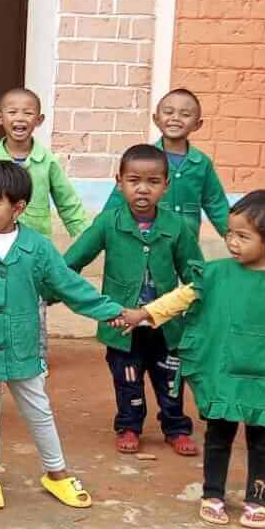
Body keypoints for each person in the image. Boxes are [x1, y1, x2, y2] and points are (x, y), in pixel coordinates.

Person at [123, 190, 265, 529]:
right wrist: (143, 314)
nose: (232, 242)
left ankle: (257, 499)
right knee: (218, 436)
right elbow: (181, 298)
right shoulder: (215, 274)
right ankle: (212, 495)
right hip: (223, 373)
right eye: (230, 233)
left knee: (263, 441)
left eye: (243, 236)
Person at [0, 161, 125, 511]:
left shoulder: (37, 247)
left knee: (38, 409)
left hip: (23, 345)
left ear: (18, 208)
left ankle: (57, 473)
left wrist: (109, 311)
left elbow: (68, 284)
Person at [64, 144, 204, 457]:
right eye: (134, 180)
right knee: (127, 379)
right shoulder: (107, 222)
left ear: (166, 185)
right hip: (121, 324)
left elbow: (196, 275)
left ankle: (176, 428)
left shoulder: (176, 226)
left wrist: (201, 310)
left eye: (153, 182)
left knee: (170, 379)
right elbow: (71, 263)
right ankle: (129, 425)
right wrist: (52, 290)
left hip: (166, 324)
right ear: (119, 182)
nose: (143, 189)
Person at [101, 89, 229, 237]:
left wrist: (234, 235)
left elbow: (216, 204)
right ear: (156, 119)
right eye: (168, 112)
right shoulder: (143, 160)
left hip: (186, 242)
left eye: (185, 114)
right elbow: (119, 197)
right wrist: (102, 232)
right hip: (149, 240)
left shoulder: (202, 163)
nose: (175, 118)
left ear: (197, 124)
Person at [0, 87, 90, 239]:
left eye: (28, 113)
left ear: (39, 120)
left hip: (38, 241)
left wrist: (86, 236)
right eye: (12, 112)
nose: (20, 118)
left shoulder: (47, 161)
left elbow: (67, 201)